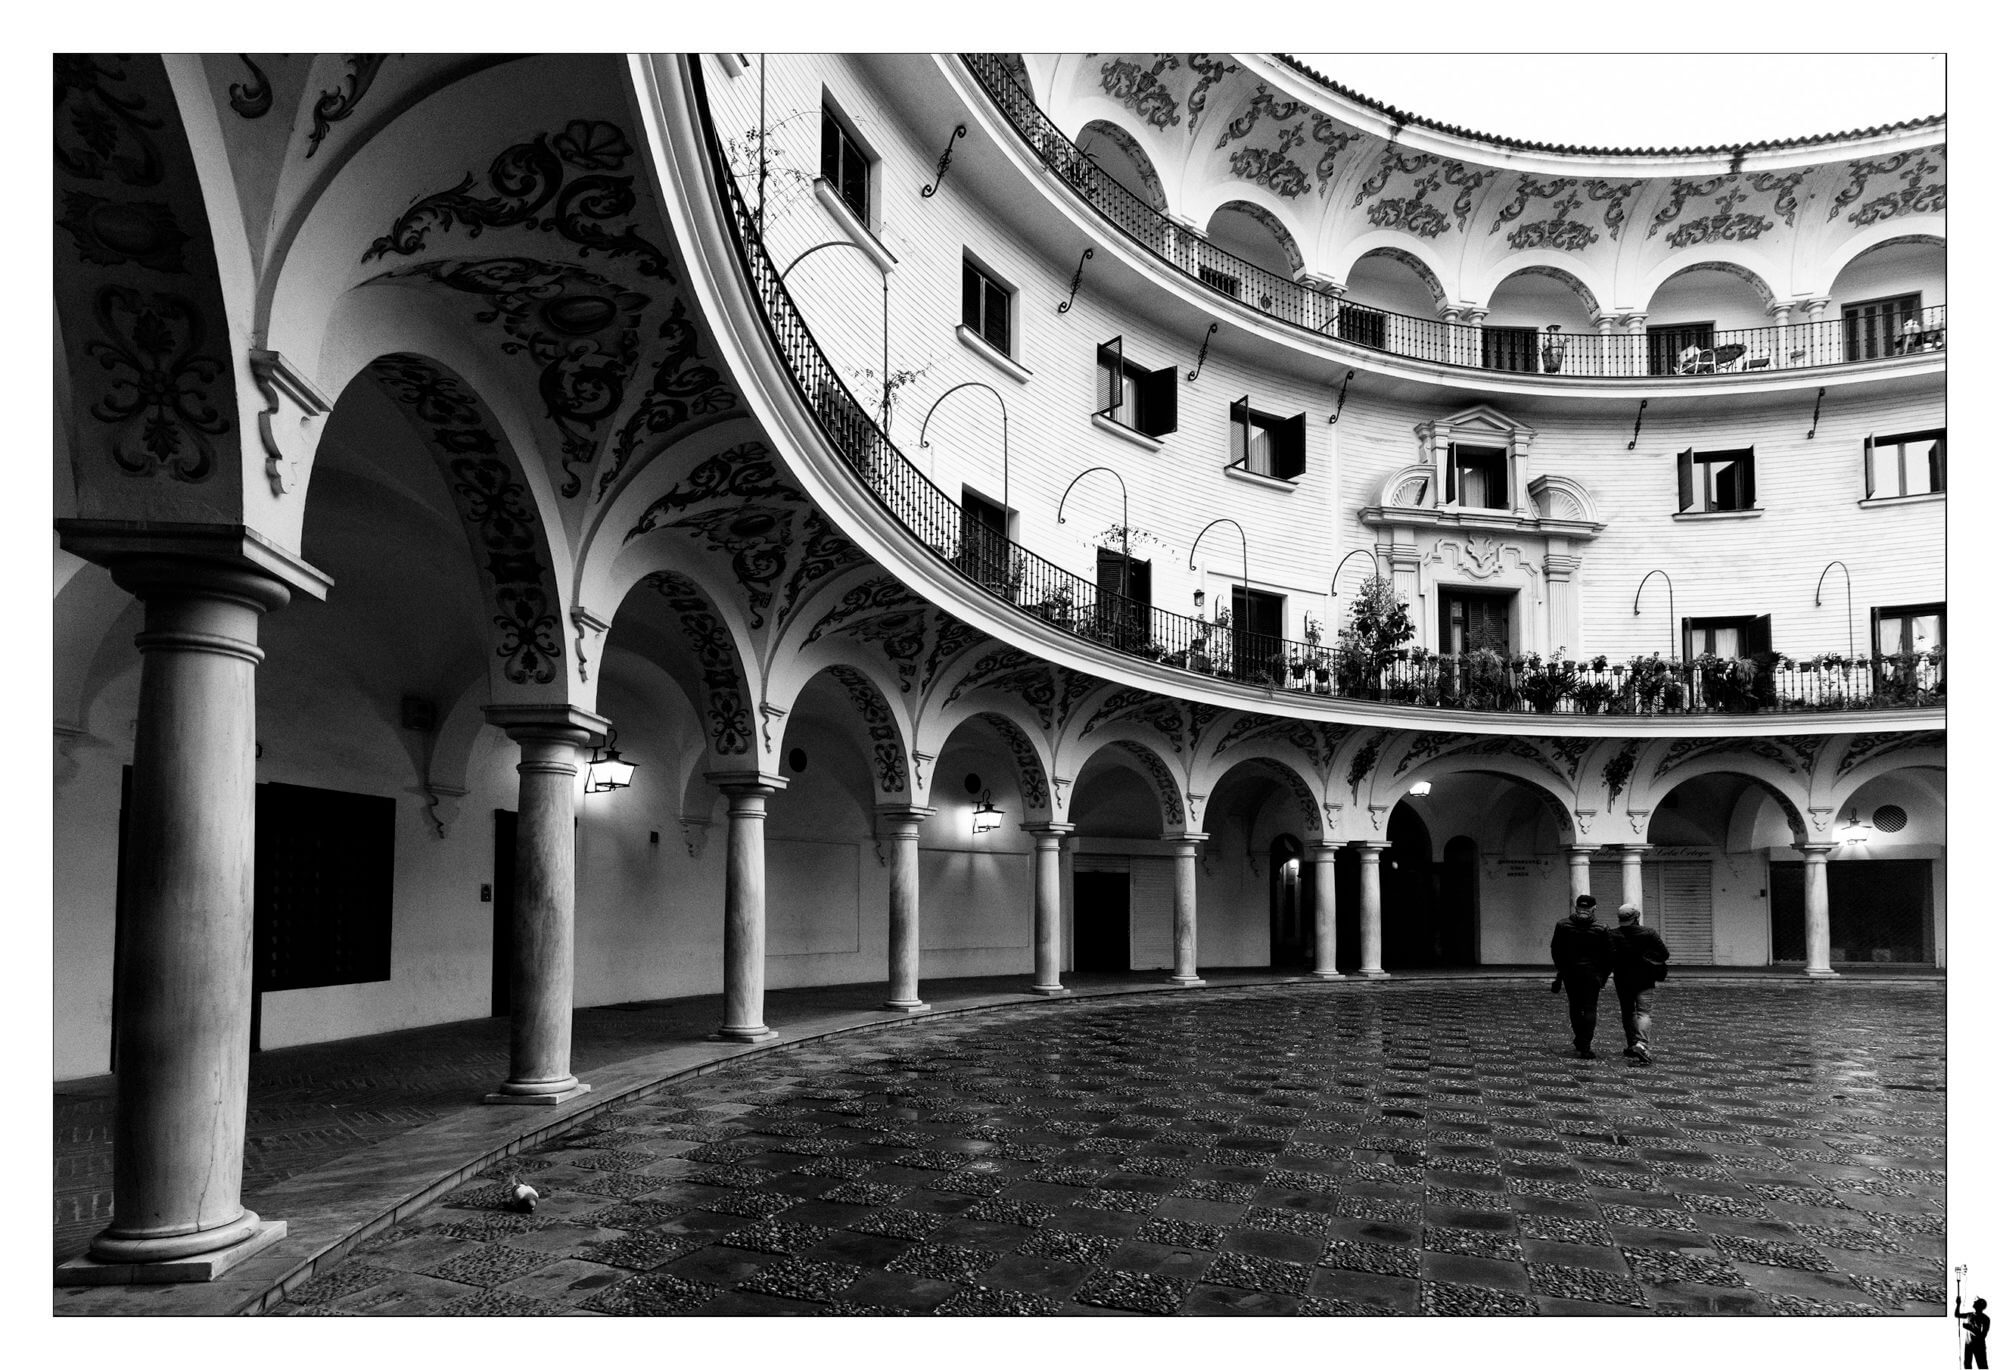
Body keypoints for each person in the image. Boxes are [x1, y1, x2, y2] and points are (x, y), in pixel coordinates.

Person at [1549, 894, 1612, 1058]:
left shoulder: (1563, 925)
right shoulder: (1602, 927)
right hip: (1593, 975)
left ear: (1576, 907)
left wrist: (1561, 969)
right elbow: (1609, 955)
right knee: (1590, 1007)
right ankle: (1586, 1044)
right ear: (1594, 908)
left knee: (1575, 1007)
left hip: (1571, 973)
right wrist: (1603, 976)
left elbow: (1556, 950)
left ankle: (1579, 1038)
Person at [1608, 903, 1670, 1064]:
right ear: (1636, 917)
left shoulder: (1612, 934)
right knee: (1644, 1012)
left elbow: (1608, 957)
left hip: (1622, 979)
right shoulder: (1649, 933)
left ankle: (1631, 1044)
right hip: (1645, 978)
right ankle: (1642, 1044)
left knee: (1628, 1012)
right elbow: (1664, 954)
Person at [1960, 1294, 1990, 1368]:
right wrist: (1958, 1304)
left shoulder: (1985, 1318)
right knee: (1967, 1365)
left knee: (1982, 1366)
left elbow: (1983, 1336)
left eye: (1975, 1302)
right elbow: (1956, 1314)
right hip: (1968, 1345)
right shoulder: (1970, 1315)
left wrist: (1969, 1328)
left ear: (1979, 1305)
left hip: (1979, 1346)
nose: (1974, 1302)